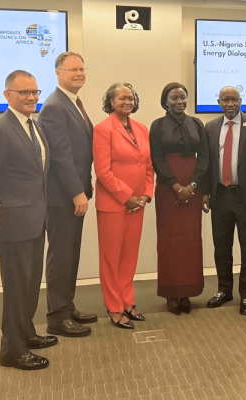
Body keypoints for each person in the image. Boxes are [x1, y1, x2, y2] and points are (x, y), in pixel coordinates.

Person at [0, 70, 55, 371]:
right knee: (16, 289)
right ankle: (11, 351)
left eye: (35, 92)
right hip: (13, 224)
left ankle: (26, 334)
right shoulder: (0, 129)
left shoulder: (33, 125)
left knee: (28, 285)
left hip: (36, 221)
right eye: (25, 92)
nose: (32, 98)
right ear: (7, 95)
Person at [38, 52, 96, 338]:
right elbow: (60, 157)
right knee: (61, 256)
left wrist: (86, 186)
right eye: (72, 69)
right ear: (58, 73)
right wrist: (77, 192)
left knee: (71, 254)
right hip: (63, 197)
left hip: (75, 193)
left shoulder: (73, 102)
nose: (79, 73)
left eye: (82, 69)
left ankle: (67, 306)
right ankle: (57, 317)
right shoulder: (54, 106)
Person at [203, 86, 246, 315]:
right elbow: (207, 163)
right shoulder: (211, 127)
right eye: (225, 100)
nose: (230, 103)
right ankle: (224, 290)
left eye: (234, 99)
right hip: (220, 196)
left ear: (240, 101)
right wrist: (205, 192)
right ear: (219, 102)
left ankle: (245, 295)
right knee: (221, 248)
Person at [94, 83, 154, 329]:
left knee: (129, 257)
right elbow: (103, 171)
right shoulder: (103, 129)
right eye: (121, 98)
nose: (127, 102)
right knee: (111, 258)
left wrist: (146, 195)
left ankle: (128, 301)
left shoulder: (141, 128)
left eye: (131, 98)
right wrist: (127, 196)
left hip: (138, 204)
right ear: (111, 102)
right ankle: (115, 307)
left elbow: (148, 167)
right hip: (113, 205)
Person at [150, 82, 208, 315]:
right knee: (169, 242)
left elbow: (204, 157)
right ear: (166, 101)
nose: (179, 101)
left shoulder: (196, 123)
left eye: (183, 97)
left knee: (191, 241)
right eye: (174, 98)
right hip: (167, 187)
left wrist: (193, 185)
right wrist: (175, 186)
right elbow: (156, 158)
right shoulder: (157, 125)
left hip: (193, 188)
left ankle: (187, 292)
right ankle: (171, 293)